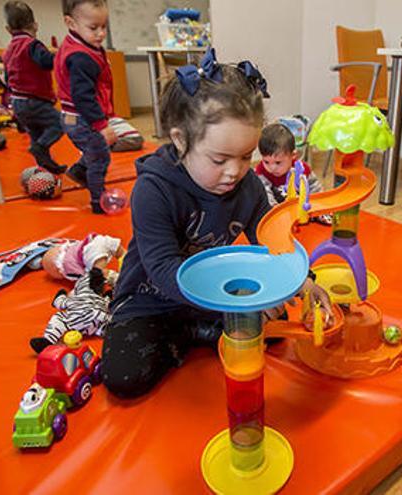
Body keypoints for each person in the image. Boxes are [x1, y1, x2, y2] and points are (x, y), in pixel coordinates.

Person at [101, 49, 331, 398]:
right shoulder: (153, 190)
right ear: (181, 140)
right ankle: (189, 333)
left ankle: (198, 330)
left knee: (273, 326)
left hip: (211, 298)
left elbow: (273, 243)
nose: (235, 171)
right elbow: (163, 268)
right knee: (124, 378)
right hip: (152, 301)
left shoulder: (249, 186)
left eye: (245, 156)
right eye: (220, 159)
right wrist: (232, 306)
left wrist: (305, 283)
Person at [53, 0, 116, 213]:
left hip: (74, 116)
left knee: (94, 150)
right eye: (93, 28)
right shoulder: (80, 57)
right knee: (100, 157)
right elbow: (83, 97)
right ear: (71, 23)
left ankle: (79, 171)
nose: (100, 33)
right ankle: (99, 201)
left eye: (104, 26)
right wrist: (101, 125)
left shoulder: (79, 46)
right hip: (81, 118)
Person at [1, 1, 64, 174]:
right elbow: (46, 63)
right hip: (34, 101)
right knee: (60, 124)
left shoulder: (8, 51)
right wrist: (58, 55)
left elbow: (7, 78)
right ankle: (41, 149)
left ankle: (44, 168)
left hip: (18, 102)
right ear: (35, 25)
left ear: (8, 29)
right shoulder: (32, 45)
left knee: (36, 133)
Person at [254, 123, 324, 206]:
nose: (272, 168)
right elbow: (265, 196)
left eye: (278, 162)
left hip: (300, 208)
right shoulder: (261, 172)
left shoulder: (301, 169)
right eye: (266, 162)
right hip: (276, 211)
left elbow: (315, 190)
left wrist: (314, 204)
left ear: (293, 155)